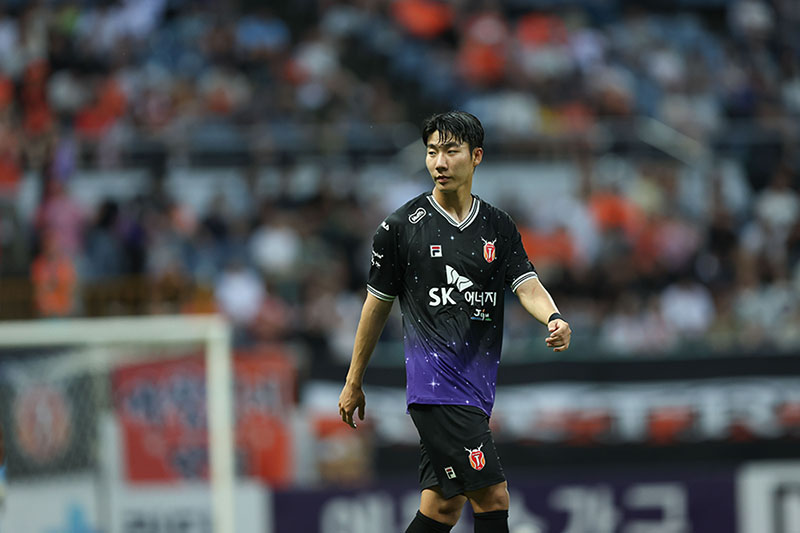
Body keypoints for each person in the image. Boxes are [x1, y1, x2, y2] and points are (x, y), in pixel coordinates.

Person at [338, 111, 571, 533]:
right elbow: (375, 306)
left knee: (442, 507)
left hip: (476, 389)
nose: (439, 162)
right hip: (436, 390)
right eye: (432, 152)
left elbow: (527, 284)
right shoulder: (400, 228)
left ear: (476, 156)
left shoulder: (497, 226)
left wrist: (553, 316)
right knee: (493, 496)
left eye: (450, 151)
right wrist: (354, 380)